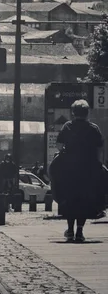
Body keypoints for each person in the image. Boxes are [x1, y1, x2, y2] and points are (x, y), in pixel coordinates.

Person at [51, 99, 104, 243]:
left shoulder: (67, 126)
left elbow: (59, 145)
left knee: (69, 198)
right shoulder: (94, 128)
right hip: (88, 170)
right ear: (87, 113)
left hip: (69, 169)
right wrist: (98, 164)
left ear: (73, 113)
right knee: (85, 199)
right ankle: (80, 230)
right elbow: (99, 149)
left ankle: (70, 229)